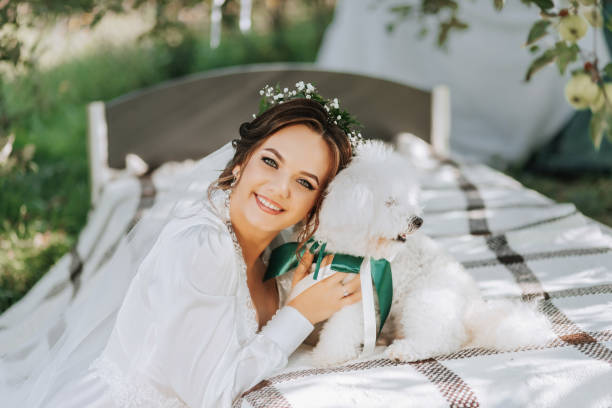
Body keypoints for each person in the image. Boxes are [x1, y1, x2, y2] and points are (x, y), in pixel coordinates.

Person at [9, 83, 364, 407]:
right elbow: (210, 394)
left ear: (315, 204)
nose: (280, 188)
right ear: (240, 164)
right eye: (270, 162)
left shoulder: (274, 250)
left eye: (304, 182)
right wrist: (299, 313)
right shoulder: (203, 247)